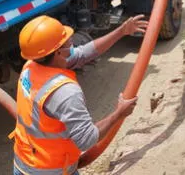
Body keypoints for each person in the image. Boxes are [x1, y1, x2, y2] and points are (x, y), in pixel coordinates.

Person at [12, 14, 148, 175]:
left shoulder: (31, 66)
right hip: (52, 171)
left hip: (24, 163)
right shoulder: (65, 92)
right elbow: (87, 139)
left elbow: (84, 53)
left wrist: (122, 31)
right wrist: (119, 113)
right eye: (66, 41)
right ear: (58, 53)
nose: (71, 41)